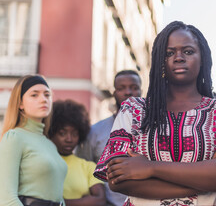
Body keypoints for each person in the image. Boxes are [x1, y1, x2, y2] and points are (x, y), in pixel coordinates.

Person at [93, 21, 216, 206]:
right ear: (159, 60)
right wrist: (207, 175)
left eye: (188, 51)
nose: (178, 57)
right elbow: (117, 180)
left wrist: (150, 167)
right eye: (169, 53)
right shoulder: (133, 110)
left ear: (202, 57)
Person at [76, 69, 141, 205]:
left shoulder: (154, 128)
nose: (128, 92)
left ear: (141, 90)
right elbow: (84, 169)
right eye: (121, 88)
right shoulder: (95, 131)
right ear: (114, 93)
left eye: (134, 87)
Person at [0, 75, 67, 206]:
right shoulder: (14, 137)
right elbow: (6, 198)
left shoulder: (49, 144)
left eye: (47, 95)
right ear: (20, 104)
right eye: (34, 95)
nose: (43, 100)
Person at [49, 99, 106, 206]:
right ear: (52, 132)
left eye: (74, 134)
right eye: (62, 133)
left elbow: (100, 201)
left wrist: (58, 203)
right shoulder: (42, 163)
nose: (69, 139)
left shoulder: (88, 167)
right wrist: (85, 201)